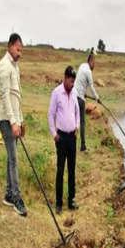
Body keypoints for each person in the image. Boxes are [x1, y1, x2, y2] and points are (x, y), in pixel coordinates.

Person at [0, 33, 27, 216]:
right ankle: (16, 197)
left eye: (21, 50)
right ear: (10, 46)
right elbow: (5, 97)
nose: (20, 53)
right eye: (18, 49)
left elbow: (17, 97)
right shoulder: (4, 66)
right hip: (6, 121)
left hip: (14, 120)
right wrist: (13, 122)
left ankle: (8, 195)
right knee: (14, 159)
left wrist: (21, 120)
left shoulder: (15, 67)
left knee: (11, 159)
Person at [48, 66, 80, 214]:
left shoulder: (74, 93)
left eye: (74, 81)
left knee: (72, 170)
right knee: (60, 170)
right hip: (61, 137)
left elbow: (77, 111)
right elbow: (50, 115)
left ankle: (71, 201)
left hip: (72, 137)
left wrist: (77, 127)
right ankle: (59, 203)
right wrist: (54, 134)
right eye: (70, 81)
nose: (72, 84)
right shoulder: (56, 93)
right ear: (65, 78)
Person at [74, 52, 100, 151]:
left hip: (73, 96)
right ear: (90, 61)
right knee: (82, 122)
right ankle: (83, 146)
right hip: (80, 99)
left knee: (73, 120)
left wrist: (83, 92)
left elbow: (79, 81)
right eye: (94, 62)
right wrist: (97, 98)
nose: (94, 65)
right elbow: (91, 87)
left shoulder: (82, 66)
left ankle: (71, 143)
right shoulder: (88, 71)